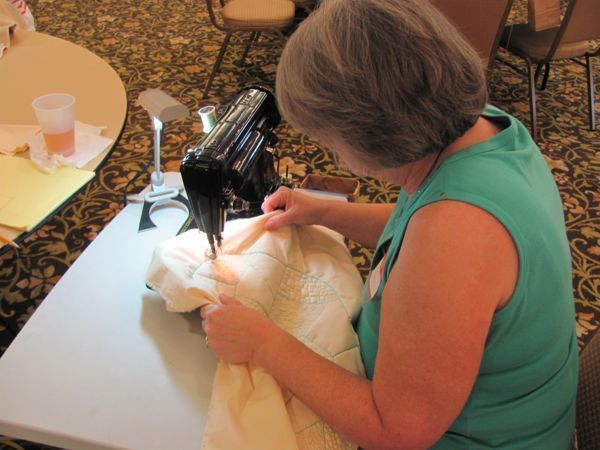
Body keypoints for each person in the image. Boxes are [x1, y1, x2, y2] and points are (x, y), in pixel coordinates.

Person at [199, 0, 578, 448]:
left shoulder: (455, 234)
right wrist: (321, 211)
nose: (335, 155)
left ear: (370, 132)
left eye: (329, 141)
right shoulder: (487, 131)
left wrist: (264, 345)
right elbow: (414, 227)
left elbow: (396, 430)